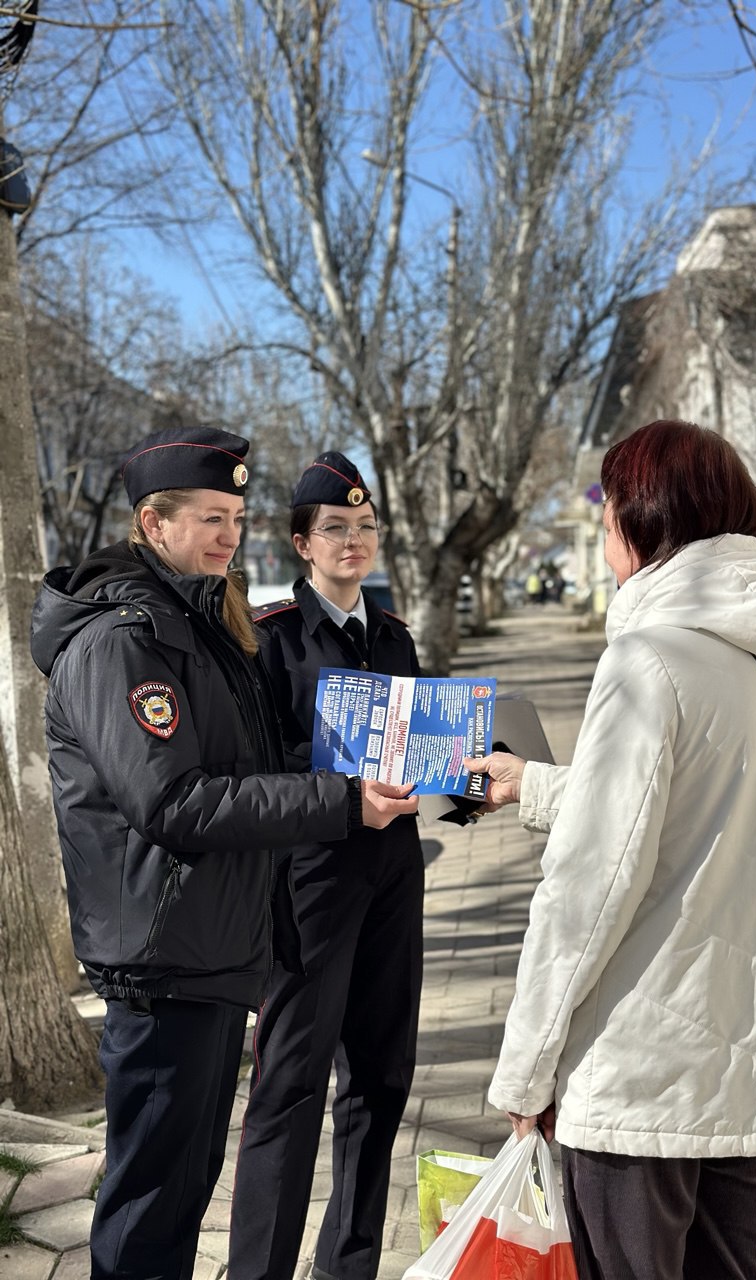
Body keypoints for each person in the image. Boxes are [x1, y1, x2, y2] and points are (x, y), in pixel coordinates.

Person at [30, 428, 417, 1280]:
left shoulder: (194, 621)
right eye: (210, 517)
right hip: (160, 956)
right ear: (152, 523)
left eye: (236, 517)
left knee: (177, 1201)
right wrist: (342, 799)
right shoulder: (125, 640)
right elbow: (172, 801)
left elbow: (253, 769)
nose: (227, 535)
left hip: (207, 949)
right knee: (146, 1213)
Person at [465, 419, 756, 1280]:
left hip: (646, 1070)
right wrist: (541, 786)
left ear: (644, 522)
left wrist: (523, 1074)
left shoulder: (648, 658)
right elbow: (725, 818)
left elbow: (591, 887)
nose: (603, 547)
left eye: (605, 523)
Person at [228, 452, 424, 1280]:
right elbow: (255, 771)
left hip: (392, 878)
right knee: (291, 1088)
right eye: (336, 528)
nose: (354, 540)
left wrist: (465, 779)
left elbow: (419, 753)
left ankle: (347, 1266)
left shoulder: (393, 637)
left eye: (365, 527)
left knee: (381, 1080)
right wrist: (340, 780)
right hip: (309, 885)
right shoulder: (269, 641)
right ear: (303, 543)